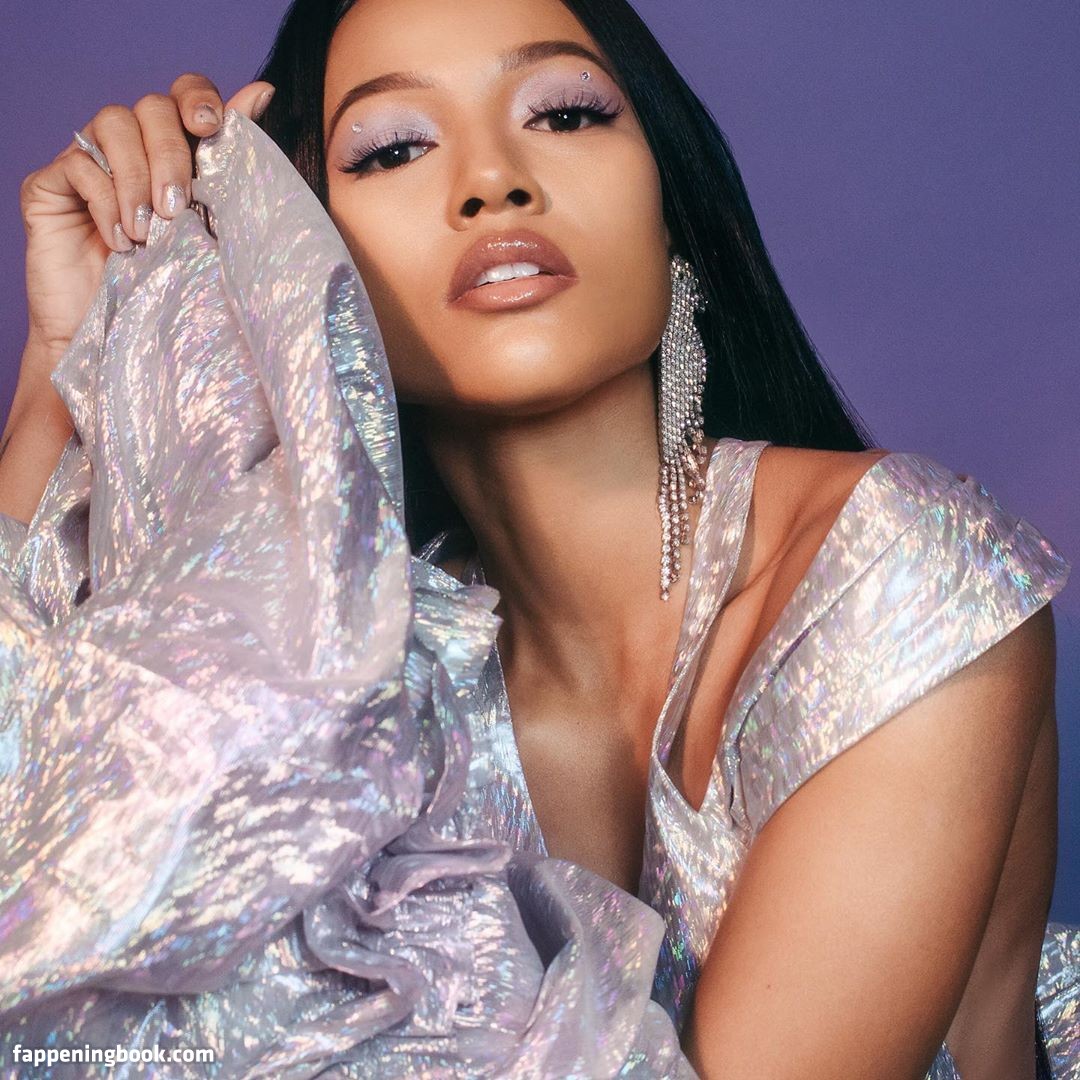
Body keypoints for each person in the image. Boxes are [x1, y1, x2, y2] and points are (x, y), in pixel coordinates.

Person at [1, 1, 1075, 1078]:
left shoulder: (888, 566)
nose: (491, 181)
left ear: (672, 215)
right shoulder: (359, 674)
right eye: (396, 147)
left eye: (563, 114)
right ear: (298, 257)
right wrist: (63, 368)